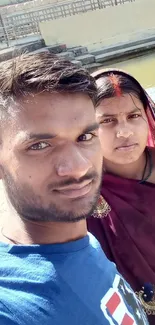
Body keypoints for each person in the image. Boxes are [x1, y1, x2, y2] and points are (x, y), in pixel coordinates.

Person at [0, 54, 148, 325]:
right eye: (40, 145)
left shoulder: (84, 244)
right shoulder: (13, 303)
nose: (78, 167)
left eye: (85, 137)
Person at [87, 68, 155, 324]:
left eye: (133, 116)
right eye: (107, 120)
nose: (124, 131)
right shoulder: (82, 191)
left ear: (146, 117)